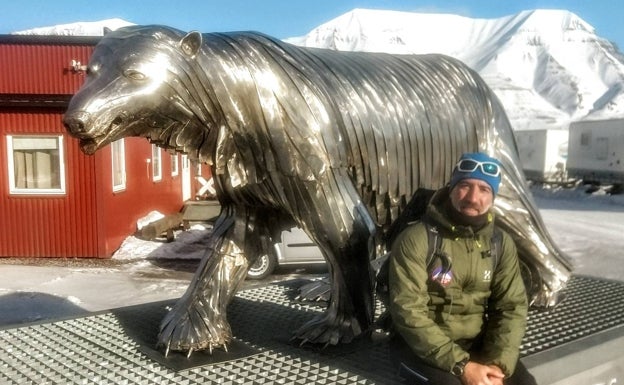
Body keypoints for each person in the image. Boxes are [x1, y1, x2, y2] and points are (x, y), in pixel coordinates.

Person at [388, 152, 538, 385]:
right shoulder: (418, 239)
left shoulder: (500, 243)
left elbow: (511, 306)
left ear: (493, 197)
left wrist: (497, 364)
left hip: (475, 342)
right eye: (465, 185)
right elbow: (408, 309)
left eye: (484, 189)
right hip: (419, 346)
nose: (472, 197)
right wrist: (462, 366)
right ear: (451, 188)